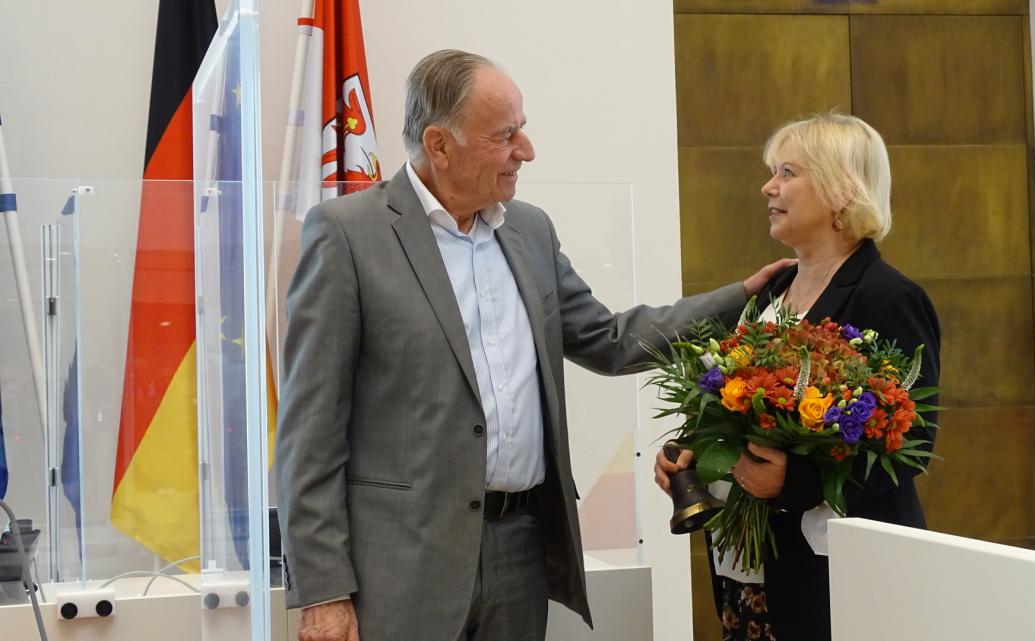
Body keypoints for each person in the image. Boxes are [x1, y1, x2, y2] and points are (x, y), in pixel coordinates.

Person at [274, 49, 792, 641]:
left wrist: (737, 300)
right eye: (506, 135)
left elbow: (608, 339)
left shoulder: (530, 230)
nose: (527, 149)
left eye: (523, 128)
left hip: (518, 552)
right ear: (440, 145)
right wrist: (323, 591)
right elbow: (309, 433)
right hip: (398, 569)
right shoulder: (346, 234)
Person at [654, 112, 941, 641]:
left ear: (840, 190)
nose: (768, 187)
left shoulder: (887, 296)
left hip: (837, 569)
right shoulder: (773, 289)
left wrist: (796, 484)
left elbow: (913, 444)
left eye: (788, 173)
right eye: (773, 173)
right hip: (753, 564)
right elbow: (740, 405)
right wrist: (699, 447)